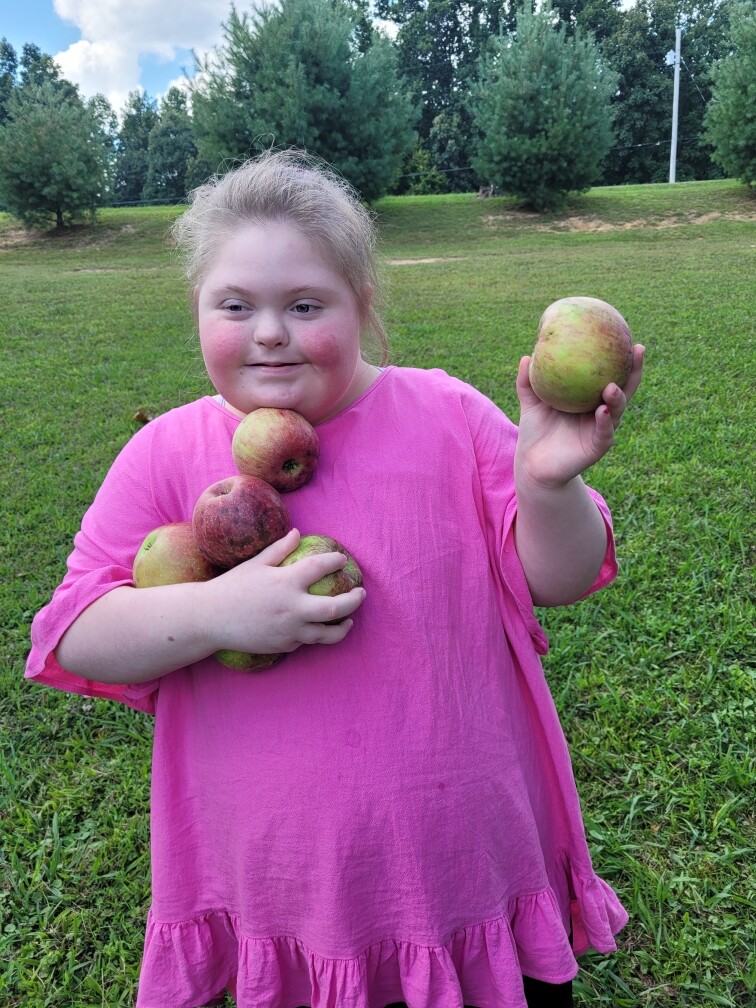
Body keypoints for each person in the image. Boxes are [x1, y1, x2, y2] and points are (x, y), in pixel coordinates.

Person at [26, 148, 644, 1008]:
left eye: (305, 304)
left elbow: (561, 574)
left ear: (363, 305)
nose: (268, 331)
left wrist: (549, 482)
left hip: (463, 870)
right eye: (234, 305)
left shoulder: (446, 417)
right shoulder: (169, 454)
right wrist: (217, 612)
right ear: (196, 310)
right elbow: (73, 629)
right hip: (282, 897)